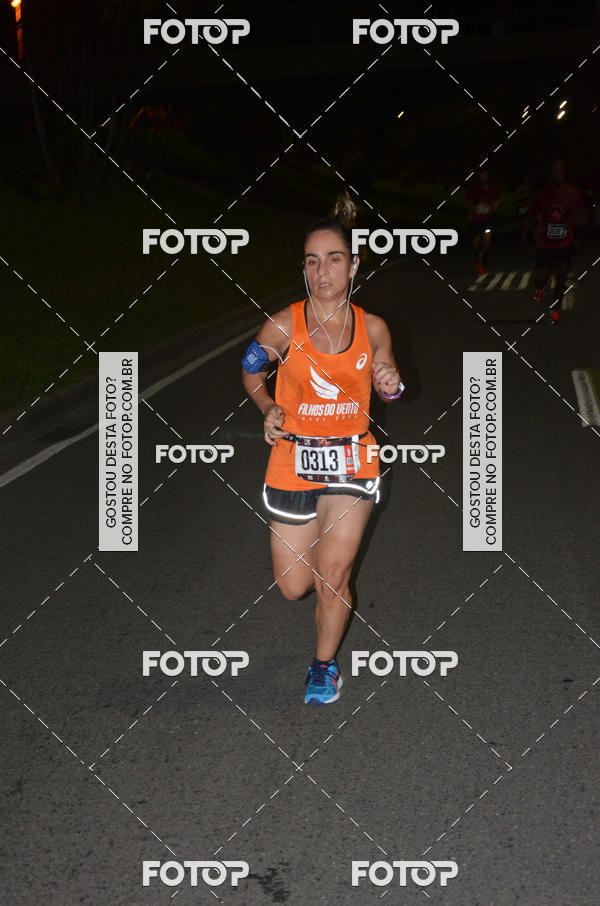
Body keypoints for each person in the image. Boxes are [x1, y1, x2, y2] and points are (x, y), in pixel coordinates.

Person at [241, 194, 403, 705]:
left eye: (334, 259)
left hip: (352, 461)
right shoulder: (283, 325)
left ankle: (324, 666)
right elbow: (251, 370)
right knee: (294, 586)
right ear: (304, 269)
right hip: (292, 461)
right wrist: (267, 405)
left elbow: (391, 388)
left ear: (354, 265)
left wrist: (391, 382)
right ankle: (320, 598)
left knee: (333, 577)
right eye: (312, 261)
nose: (322, 270)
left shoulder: (372, 328)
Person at [529, 159, 587, 324]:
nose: (557, 175)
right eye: (554, 172)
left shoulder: (573, 193)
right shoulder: (542, 195)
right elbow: (533, 216)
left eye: (560, 171)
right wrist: (536, 231)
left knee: (561, 277)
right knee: (540, 278)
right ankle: (541, 288)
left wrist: (580, 226)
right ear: (550, 175)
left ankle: (555, 310)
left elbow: (579, 213)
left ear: (565, 173)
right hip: (545, 244)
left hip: (564, 244)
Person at [466, 168, 500, 274]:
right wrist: (475, 208)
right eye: (481, 175)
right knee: (476, 242)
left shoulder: (493, 189)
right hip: (475, 220)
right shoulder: (474, 189)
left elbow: (496, 203)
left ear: (488, 176)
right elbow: (469, 203)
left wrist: (489, 207)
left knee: (487, 241)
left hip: (487, 221)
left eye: (485, 175)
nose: (483, 177)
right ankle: (477, 259)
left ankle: (483, 263)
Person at [514, 172, 535, 246]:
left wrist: (528, 202)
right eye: (525, 178)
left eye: (527, 178)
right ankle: (522, 237)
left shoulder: (531, 187)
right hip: (521, 206)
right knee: (521, 222)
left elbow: (533, 197)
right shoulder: (521, 187)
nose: (526, 179)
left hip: (527, 207)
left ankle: (524, 238)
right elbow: (516, 196)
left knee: (526, 222)